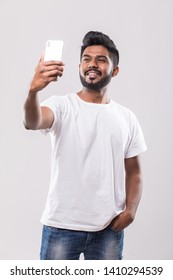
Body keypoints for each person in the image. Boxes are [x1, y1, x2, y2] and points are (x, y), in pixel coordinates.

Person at [24, 31, 147, 260]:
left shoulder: (126, 117)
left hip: (108, 229)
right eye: (87, 59)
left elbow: (134, 171)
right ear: (79, 66)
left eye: (101, 59)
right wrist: (33, 92)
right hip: (60, 226)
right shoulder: (61, 106)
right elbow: (32, 122)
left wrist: (130, 211)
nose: (93, 64)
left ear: (115, 70)